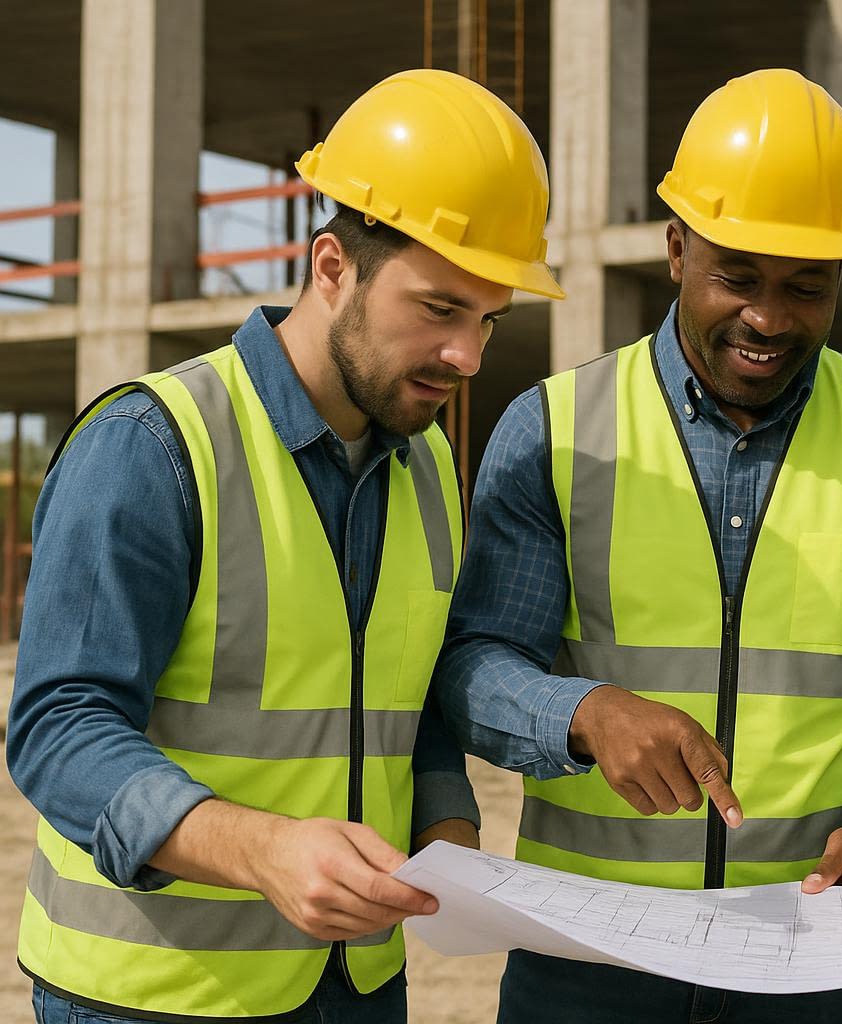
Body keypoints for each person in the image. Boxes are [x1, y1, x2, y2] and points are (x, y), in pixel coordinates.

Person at [435, 68, 842, 1023]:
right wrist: (585, 714)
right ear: (675, 248)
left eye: (806, 287)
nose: (769, 319)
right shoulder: (557, 430)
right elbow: (474, 663)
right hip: (587, 961)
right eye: (736, 277)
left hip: (808, 958)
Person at [9, 69, 564, 1023]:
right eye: (439, 309)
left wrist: (447, 827)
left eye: (487, 320)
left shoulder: (427, 465)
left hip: (357, 987)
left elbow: (406, 699)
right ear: (332, 266)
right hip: (152, 996)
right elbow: (59, 727)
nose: (467, 357)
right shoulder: (154, 446)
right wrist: (260, 848)